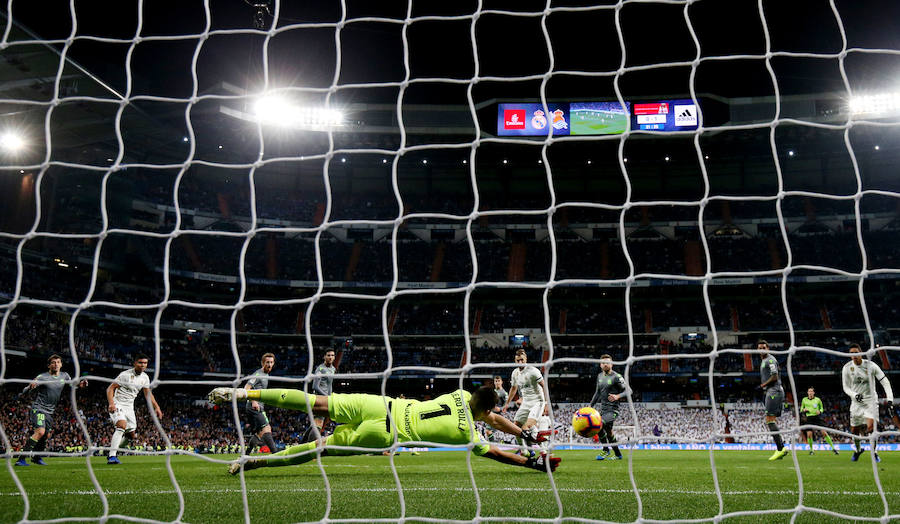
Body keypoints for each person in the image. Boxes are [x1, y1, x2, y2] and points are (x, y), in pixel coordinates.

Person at [207, 385, 559, 474]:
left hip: (383, 405)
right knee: (321, 449)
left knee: (318, 402)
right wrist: (531, 461)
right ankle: (253, 464)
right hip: (385, 435)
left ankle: (242, 392)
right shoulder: (468, 434)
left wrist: (521, 433)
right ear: (486, 410)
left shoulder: (460, 394)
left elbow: (494, 418)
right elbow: (497, 448)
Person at [15, 354, 87, 466]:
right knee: (40, 431)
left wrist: (80, 385)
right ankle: (21, 458)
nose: (56, 364)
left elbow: (73, 385)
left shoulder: (65, 376)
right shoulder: (42, 377)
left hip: (50, 411)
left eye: (58, 362)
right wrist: (29, 387)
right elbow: (27, 388)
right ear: (49, 366)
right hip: (39, 408)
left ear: (61, 364)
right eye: (53, 362)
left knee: (46, 435)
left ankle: (36, 457)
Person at [106, 354, 162, 465]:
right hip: (118, 403)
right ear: (135, 363)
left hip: (129, 407)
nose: (143, 365)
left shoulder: (145, 377)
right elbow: (110, 388)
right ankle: (112, 456)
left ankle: (114, 450)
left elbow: (148, 394)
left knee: (131, 435)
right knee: (121, 425)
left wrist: (157, 407)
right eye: (140, 362)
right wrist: (111, 403)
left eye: (145, 363)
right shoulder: (125, 375)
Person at [842, 344, 894, 463]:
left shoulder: (871, 366)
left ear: (861, 353)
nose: (854, 356)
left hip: (871, 401)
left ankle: (874, 452)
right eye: (851, 354)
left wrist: (890, 400)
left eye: (856, 353)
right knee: (854, 431)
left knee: (871, 428)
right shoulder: (847, 368)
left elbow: (885, 381)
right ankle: (858, 450)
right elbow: (845, 387)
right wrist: (854, 395)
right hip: (856, 403)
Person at [500, 349, 550, 456]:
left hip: (538, 402)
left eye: (522, 360)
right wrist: (507, 403)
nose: (520, 362)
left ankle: (543, 451)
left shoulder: (533, 371)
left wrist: (546, 403)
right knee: (516, 426)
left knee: (526, 426)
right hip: (526, 403)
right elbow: (513, 389)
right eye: (518, 360)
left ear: (526, 358)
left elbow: (544, 385)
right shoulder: (515, 373)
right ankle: (525, 451)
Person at [590, 354, 629, 461]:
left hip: (613, 410)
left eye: (607, 362)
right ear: (600, 365)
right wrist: (590, 407)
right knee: (609, 432)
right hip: (603, 410)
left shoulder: (617, 376)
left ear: (611, 364)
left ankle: (605, 450)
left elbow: (629, 391)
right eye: (603, 363)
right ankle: (618, 454)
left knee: (598, 424)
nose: (605, 364)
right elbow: (597, 393)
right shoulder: (599, 376)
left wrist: (618, 396)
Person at [758, 340, 788, 461]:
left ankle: (781, 448)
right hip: (773, 391)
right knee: (772, 420)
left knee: (769, 419)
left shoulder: (770, 360)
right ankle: (780, 448)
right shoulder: (765, 361)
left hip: (774, 391)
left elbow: (775, 376)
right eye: (759, 348)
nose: (761, 350)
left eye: (763, 348)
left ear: (768, 348)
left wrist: (763, 385)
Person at [243, 353, 279, 453]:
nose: (270, 364)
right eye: (267, 362)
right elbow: (246, 388)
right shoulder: (258, 374)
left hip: (259, 407)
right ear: (262, 363)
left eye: (271, 362)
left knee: (260, 433)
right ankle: (275, 454)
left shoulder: (266, 375)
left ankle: (245, 455)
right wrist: (254, 401)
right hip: (253, 406)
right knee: (266, 429)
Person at [301, 349, 336, 443]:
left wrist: (331, 395)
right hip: (319, 399)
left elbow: (330, 385)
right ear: (324, 357)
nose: (330, 357)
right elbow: (315, 386)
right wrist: (326, 396)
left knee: (315, 424)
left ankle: (301, 445)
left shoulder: (333, 369)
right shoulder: (320, 369)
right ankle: (310, 449)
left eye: (332, 355)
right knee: (318, 423)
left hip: (327, 399)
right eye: (328, 355)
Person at [799, 387, 838, 455]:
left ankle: (833, 448)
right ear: (807, 392)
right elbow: (801, 408)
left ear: (814, 393)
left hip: (817, 418)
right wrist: (803, 410)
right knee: (809, 435)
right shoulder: (804, 400)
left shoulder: (818, 400)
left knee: (824, 432)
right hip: (809, 418)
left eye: (811, 391)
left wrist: (820, 411)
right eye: (809, 391)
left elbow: (822, 408)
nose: (810, 393)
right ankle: (811, 450)